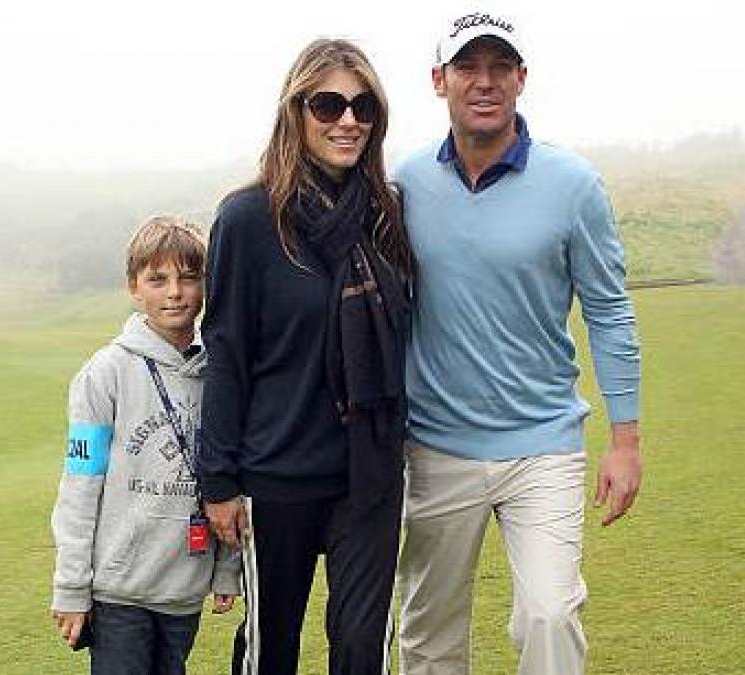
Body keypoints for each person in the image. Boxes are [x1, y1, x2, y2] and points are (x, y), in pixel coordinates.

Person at [394, 11, 643, 675]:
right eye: (467, 67)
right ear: (438, 80)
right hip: (435, 445)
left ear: (521, 79)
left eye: (499, 67)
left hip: (544, 444)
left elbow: (610, 310)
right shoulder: (403, 183)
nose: (484, 81)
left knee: (550, 613)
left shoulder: (573, 184)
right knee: (427, 636)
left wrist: (626, 442)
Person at [196, 39, 415, 675]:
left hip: (369, 475)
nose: (348, 119)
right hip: (277, 474)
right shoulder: (246, 220)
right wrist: (220, 481)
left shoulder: (389, 216)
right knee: (271, 652)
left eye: (363, 106)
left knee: (360, 649)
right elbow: (228, 354)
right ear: (296, 111)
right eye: (329, 103)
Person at [49, 216, 240, 675]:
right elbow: (80, 484)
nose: (175, 292)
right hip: (119, 589)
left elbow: (232, 477)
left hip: (183, 589)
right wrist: (72, 588)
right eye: (158, 279)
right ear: (134, 287)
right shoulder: (104, 373)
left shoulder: (221, 374)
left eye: (189, 278)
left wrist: (226, 568)